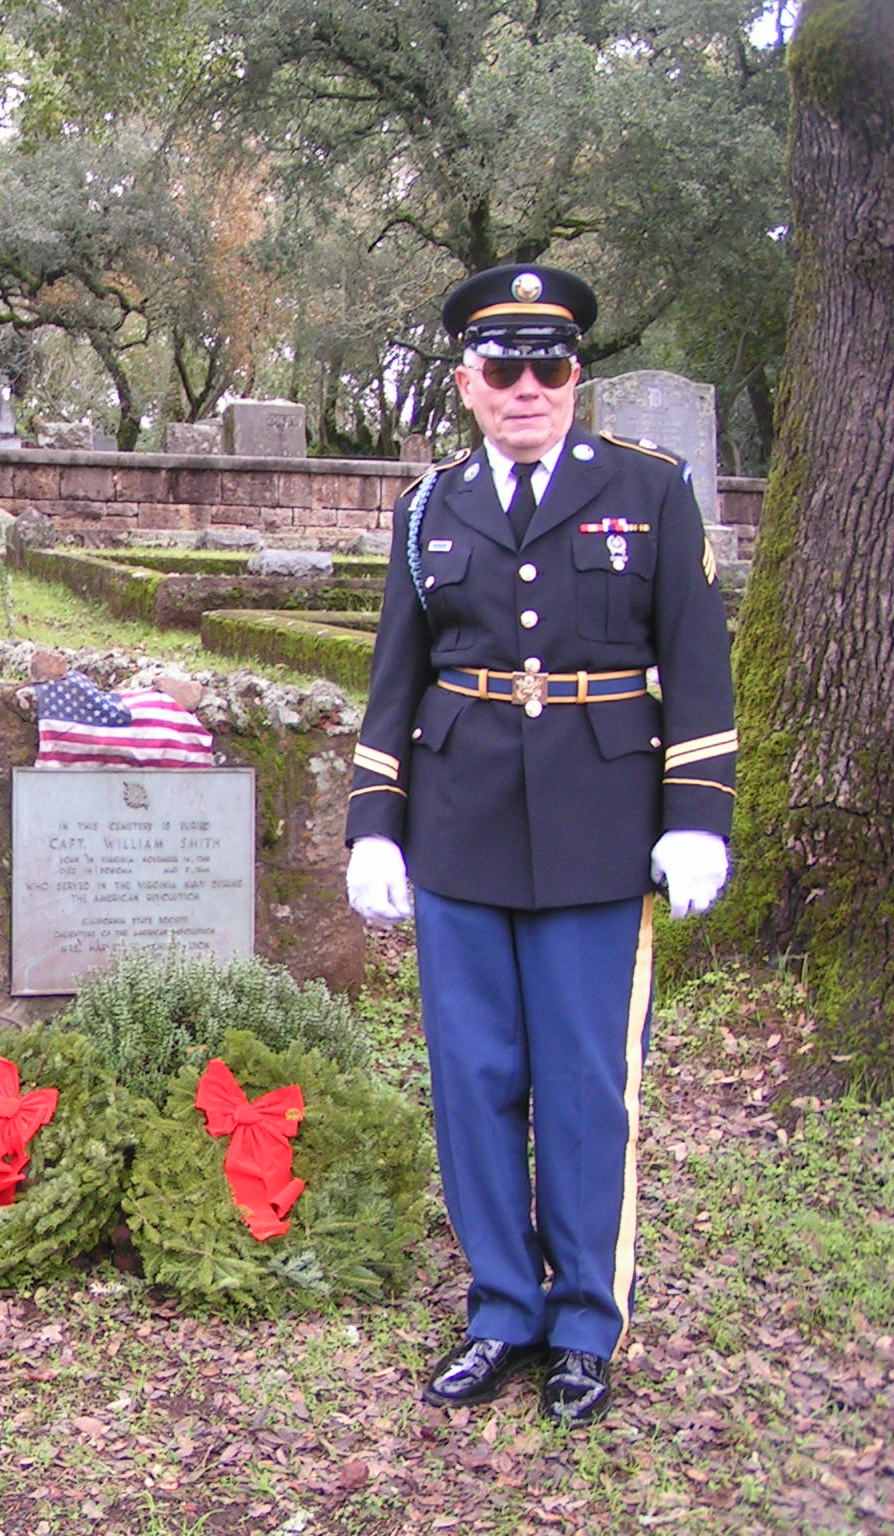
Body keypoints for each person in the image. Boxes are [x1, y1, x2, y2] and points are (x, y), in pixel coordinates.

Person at [344, 265, 736, 1427]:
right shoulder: (429, 508)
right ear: (467, 383)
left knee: (581, 1085)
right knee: (471, 1080)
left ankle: (581, 1325)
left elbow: (696, 662)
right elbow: (395, 676)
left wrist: (696, 817)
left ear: (574, 377)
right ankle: (501, 1309)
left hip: (599, 830)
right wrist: (373, 824)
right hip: (458, 827)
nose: (527, 387)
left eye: (548, 365)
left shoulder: (648, 491)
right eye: (503, 367)